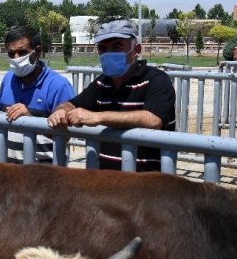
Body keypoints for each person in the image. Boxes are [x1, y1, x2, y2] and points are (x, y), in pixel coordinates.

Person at [47, 19, 176, 171]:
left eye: (117, 47)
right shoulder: (102, 83)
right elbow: (72, 104)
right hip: (108, 184)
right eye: (103, 48)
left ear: (136, 50)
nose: (109, 53)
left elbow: (153, 120)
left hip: (147, 184)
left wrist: (98, 117)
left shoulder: (156, 79)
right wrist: (62, 111)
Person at [0, 25, 75, 163]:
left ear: (37, 51)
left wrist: (30, 120)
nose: (16, 58)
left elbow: (66, 135)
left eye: (22, 52)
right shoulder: (8, 78)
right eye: (11, 53)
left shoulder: (59, 85)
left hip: (45, 171)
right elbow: (1, 119)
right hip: (10, 170)